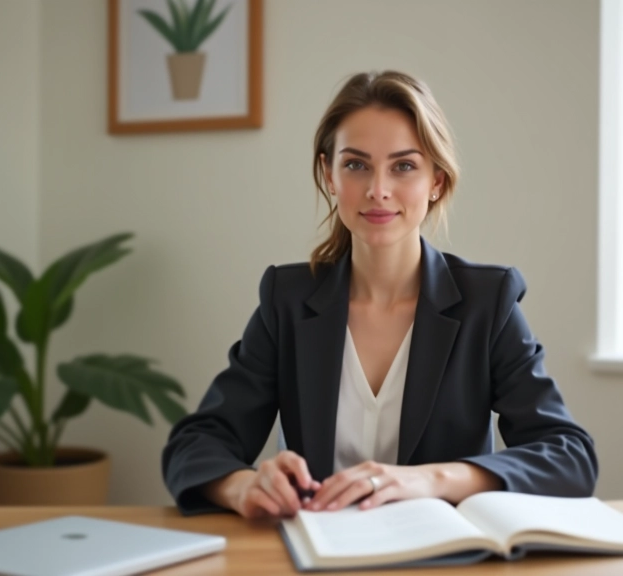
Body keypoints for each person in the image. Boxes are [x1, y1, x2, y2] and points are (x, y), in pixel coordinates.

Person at [161, 70, 598, 519]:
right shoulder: (287, 300)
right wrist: (243, 487)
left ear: (437, 181)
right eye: (356, 165)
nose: (378, 190)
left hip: (439, 551)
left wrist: (432, 479)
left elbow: (570, 455)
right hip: (317, 547)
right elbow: (195, 446)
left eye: (403, 166)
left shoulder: (487, 303)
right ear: (329, 175)